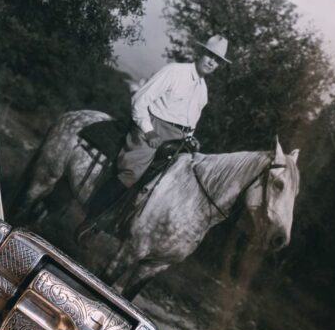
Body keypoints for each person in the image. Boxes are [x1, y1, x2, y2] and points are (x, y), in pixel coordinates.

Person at [81, 34, 230, 238]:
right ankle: (91, 218)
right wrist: (148, 131)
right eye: (210, 56)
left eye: (217, 60)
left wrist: (190, 138)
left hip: (178, 139)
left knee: (177, 183)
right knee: (132, 173)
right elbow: (139, 101)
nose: (212, 62)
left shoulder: (203, 90)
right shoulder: (175, 71)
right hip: (152, 126)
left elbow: (192, 122)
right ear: (201, 53)